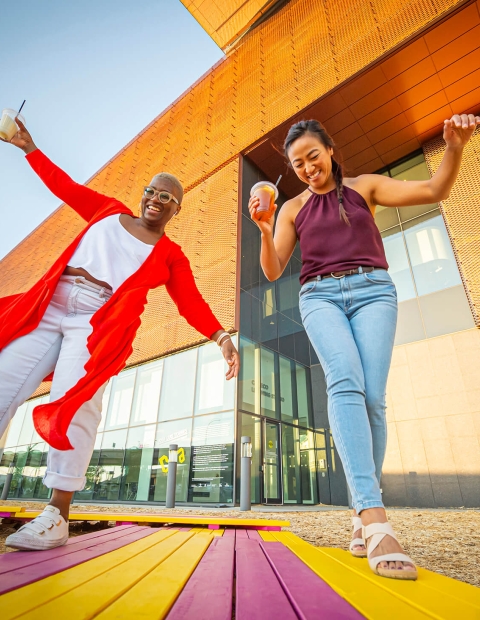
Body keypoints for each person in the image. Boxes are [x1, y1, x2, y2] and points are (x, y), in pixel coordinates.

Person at [249, 113, 480, 580]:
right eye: (298, 164)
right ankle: (375, 519)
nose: (308, 168)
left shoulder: (365, 187)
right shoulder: (293, 209)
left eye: (313, 156)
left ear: (330, 150)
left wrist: (454, 146)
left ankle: (358, 514)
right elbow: (274, 270)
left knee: (373, 400)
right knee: (346, 382)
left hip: (375, 291)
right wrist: (264, 226)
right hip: (319, 296)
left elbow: (434, 191)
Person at [0, 119, 240, 550]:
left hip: (96, 323)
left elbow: (191, 303)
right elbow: (65, 187)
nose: (156, 199)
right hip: (51, 303)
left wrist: (221, 337)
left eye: (167, 197)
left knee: (76, 404)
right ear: (143, 193)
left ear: (176, 209)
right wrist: (29, 147)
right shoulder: (107, 210)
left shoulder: (170, 255)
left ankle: (56, 515)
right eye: (152, 191)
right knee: (3, 384)